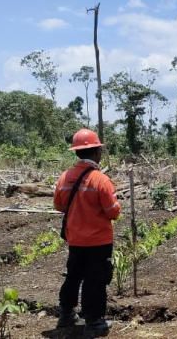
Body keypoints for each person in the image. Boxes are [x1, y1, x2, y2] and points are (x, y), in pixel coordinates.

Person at [54, 129, 121, 337]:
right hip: (98, 241)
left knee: (73, 275)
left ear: (76, 153)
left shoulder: (65, 177)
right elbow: (113, 212)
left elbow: (58, 205)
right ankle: (94, 322)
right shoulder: (101, 180)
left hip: (75, 239)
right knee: (96, 279)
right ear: (97, 152)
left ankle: (66, 314)